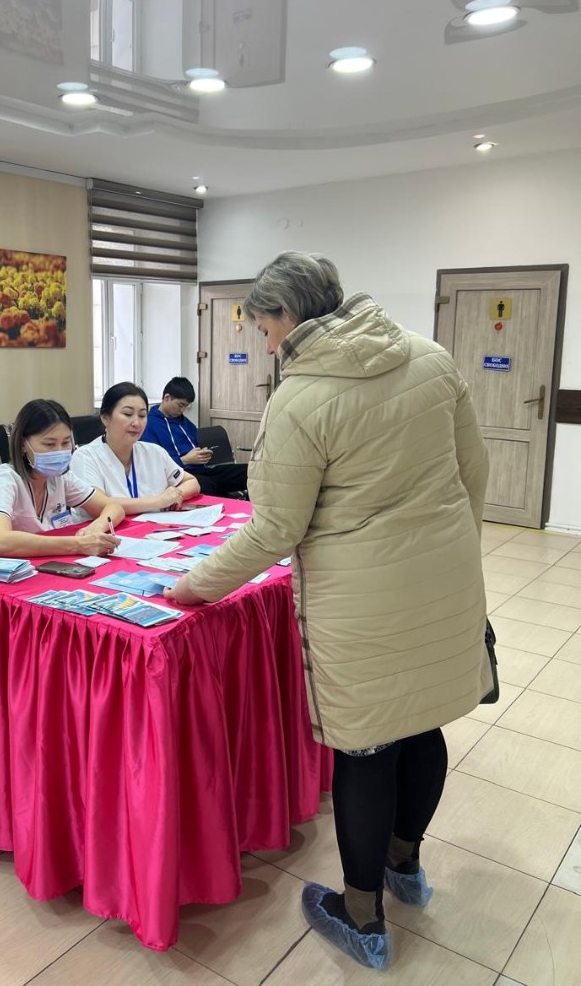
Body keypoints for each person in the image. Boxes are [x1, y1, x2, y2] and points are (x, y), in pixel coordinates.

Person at [165, 252, 490, 970]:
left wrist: (193, 586)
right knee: (422, 722)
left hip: (361, 602)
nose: (267, 345)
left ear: (287, 314)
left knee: (367, 746)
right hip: (444, 580)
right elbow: (475, 472)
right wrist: (449, 551)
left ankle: (362, 916)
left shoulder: (302, 398)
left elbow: (273, 529)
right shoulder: (431, 358)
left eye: (264, 329)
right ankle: (405, 866)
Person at [0, 398, 123, 557]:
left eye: (65, 443)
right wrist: (79, 545)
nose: (59, 451)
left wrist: (96, 528)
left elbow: (114, 507)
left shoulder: (61, 478)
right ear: (23, 445)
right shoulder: (4, 479)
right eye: (50, 444)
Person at [70, 382, 201, 516]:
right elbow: (98, 505)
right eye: (128, 414)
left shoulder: (154, 452)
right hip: (106, 528)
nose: (136, 423)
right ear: (105, 418)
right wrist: (159, 501)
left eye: (142, 415)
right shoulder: (85, 457)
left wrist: (175, 495)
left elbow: (191, 482)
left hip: (154, 526)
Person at [142, 376, 249, 497]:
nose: (182, 410)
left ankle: (249, 505)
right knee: (207, 484)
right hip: (179, 476)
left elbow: (194, 449)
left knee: (250, 472)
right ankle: (232, 503)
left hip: (202, 471)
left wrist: (202, 454)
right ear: (167, 398)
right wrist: (184, 460)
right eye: (180, 405)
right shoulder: (149, 425)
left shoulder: (185, 423)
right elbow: (152, 464)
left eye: (186, 406)